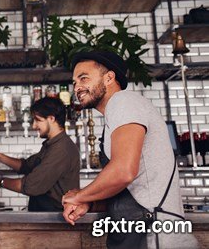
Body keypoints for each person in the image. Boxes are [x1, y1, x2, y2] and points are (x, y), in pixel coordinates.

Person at [62, 50, 198, 248]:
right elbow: (126, 190)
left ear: (109, 78)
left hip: (153, 235)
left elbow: (123, 172)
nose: (77, 87)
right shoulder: (115, 117)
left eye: (83, 78)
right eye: (74, 82)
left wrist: (79, 195)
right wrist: (89, 202)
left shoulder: (123, 101)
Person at [0, 97, 80, 211]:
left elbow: (31, 186)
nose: (34, 126)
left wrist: (0, 182)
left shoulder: (61, 149)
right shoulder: (51, 145)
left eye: (37, 120)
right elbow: (25, 166)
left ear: (51, 118)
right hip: (44, 215)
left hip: (55, 218)